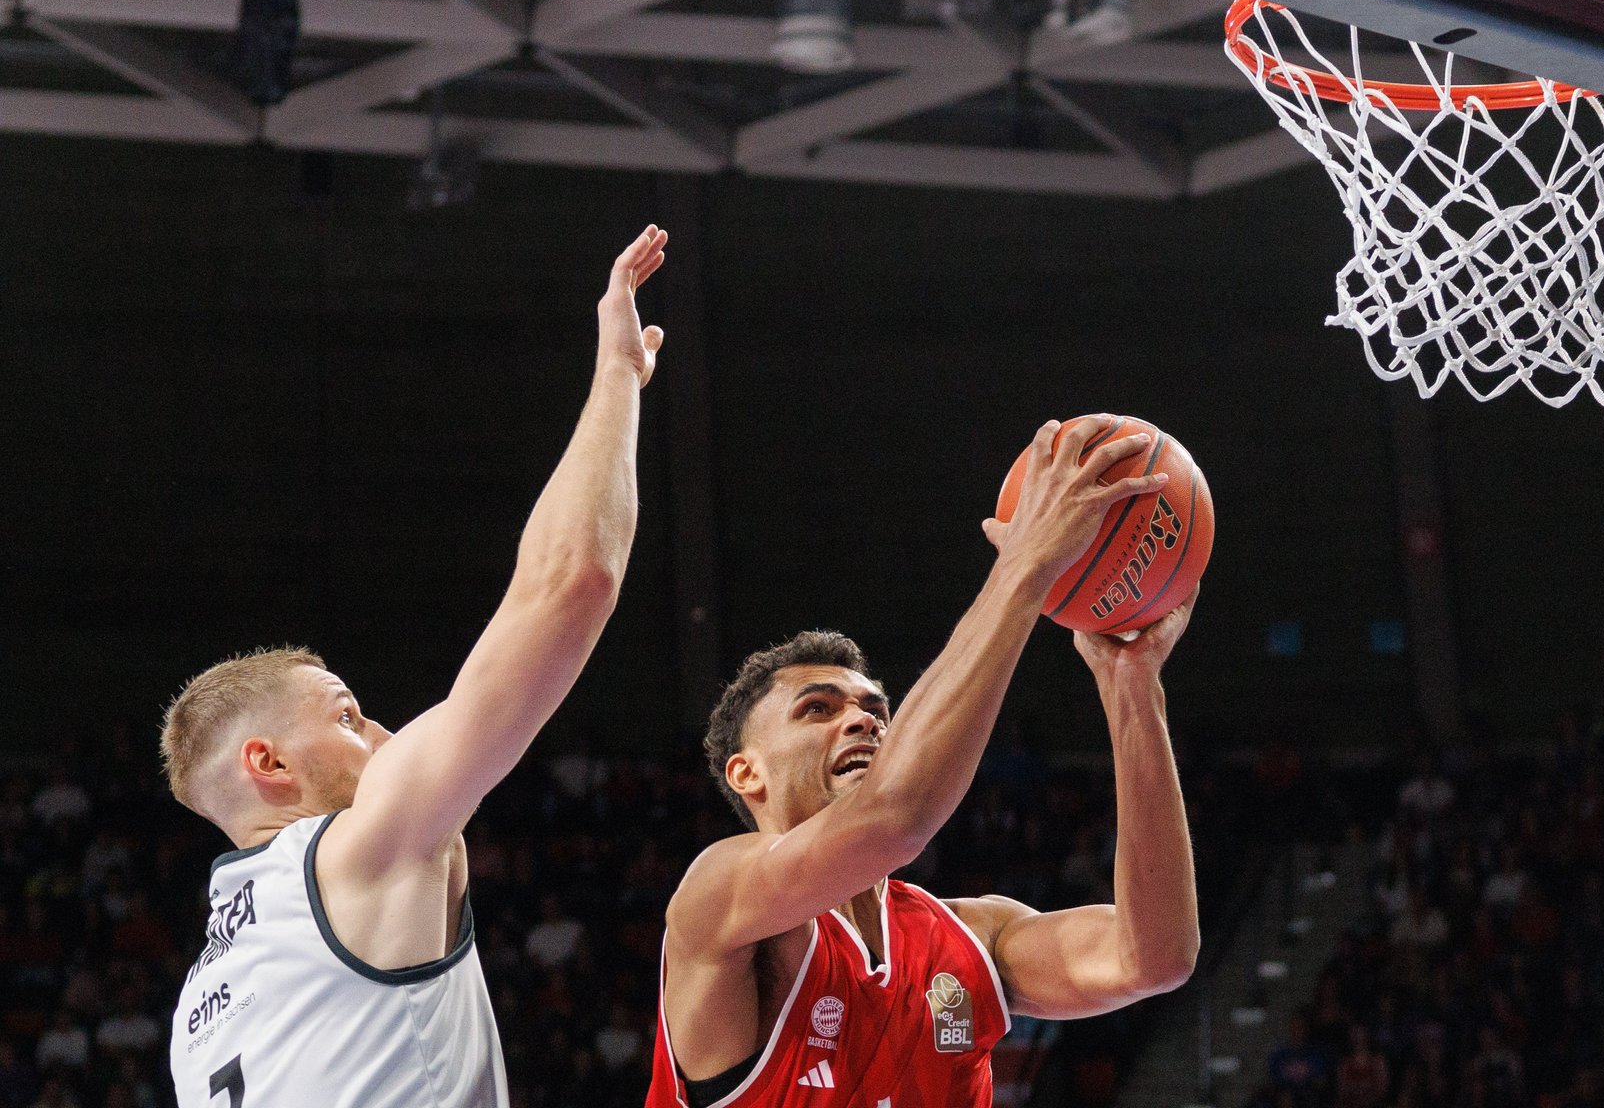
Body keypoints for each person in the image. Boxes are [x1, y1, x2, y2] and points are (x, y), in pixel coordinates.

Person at [158, 226, 669, 1108]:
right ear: (268, 763)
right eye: (349, 715)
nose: (385, 732)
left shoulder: (198, 1005)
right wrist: (618, 375)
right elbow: (569, 585)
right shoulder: (357, 852)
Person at [649, 414, 1201, 1108]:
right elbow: (895, 818)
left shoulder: (970, 938)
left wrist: (1133, 688)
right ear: (746, 772)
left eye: (877, 712)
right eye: (817, 708)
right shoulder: (719, 901)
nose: (861, 719)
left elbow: (1155, 956)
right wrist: (1027, 566)